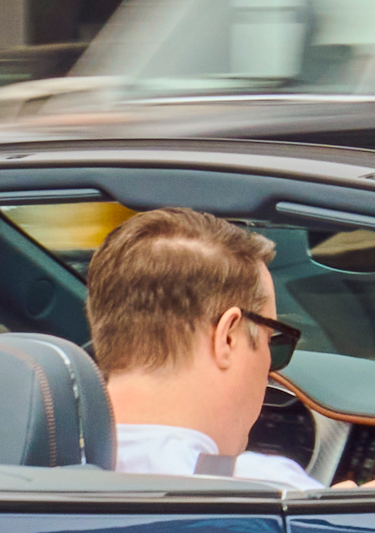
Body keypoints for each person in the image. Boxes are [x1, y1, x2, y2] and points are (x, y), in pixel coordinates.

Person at [88, 205, 314, 482]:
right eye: (272, 340)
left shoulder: (32, 468)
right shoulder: (270, 490)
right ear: (227, 337)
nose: (270, 368)